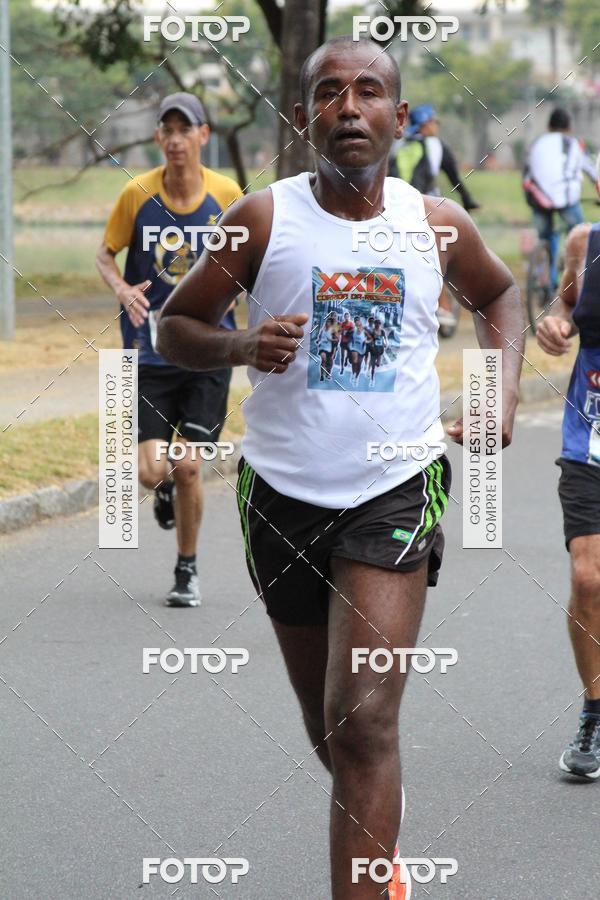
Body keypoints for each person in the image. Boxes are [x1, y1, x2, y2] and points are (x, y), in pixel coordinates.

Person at [157, 36, 523, 899]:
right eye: (329, 93)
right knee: (332, 731)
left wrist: (499, 394)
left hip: (395, 487)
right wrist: (243, 343)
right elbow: (175, 327)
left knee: (361, 724)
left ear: (400, 116)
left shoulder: (437, 224)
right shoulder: (261, 219)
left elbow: (500, 296)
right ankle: (378, 834)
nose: (349, 107)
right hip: (279, 495)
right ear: (302, 116)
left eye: (369, 92)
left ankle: (367, 851)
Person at [96, 92, 242, 607]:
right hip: (149, 354)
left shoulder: (226, 194)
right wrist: (122, 288)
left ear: (203, 135)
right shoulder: (136, 194)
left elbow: (250, 256)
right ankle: (163, 492)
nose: (176, 140)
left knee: (189, 465)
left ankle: (187, 570)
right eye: (168, 130)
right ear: (159, 137)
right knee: (152, 469)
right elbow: (105, 254)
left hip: (207, 353)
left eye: (186, 129)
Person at [536, 153, 600, 779]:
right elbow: (560, 310)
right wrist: (552, 327)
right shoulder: (585, 242)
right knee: (588, 578)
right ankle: (595, 711)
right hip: (590, 440)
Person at [390, 104, 480, 335]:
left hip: (393, 208)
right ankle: (443, 307)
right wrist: (468, 200)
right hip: (425, 208)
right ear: (426, 124)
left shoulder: (397, 144)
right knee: (436, 253)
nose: (436, 126)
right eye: (434, 122)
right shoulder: (435, 145)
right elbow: (454, 178)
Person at [523, 108, 597, 290]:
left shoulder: (536, 143)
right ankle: (578, 281)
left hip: (539, 199)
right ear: (569, 127)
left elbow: (527, 172)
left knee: (545, 236)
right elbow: (592, 172)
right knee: (581, 236)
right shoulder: (573, 144)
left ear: (549, 125)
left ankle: (545, 278)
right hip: (566, 199)